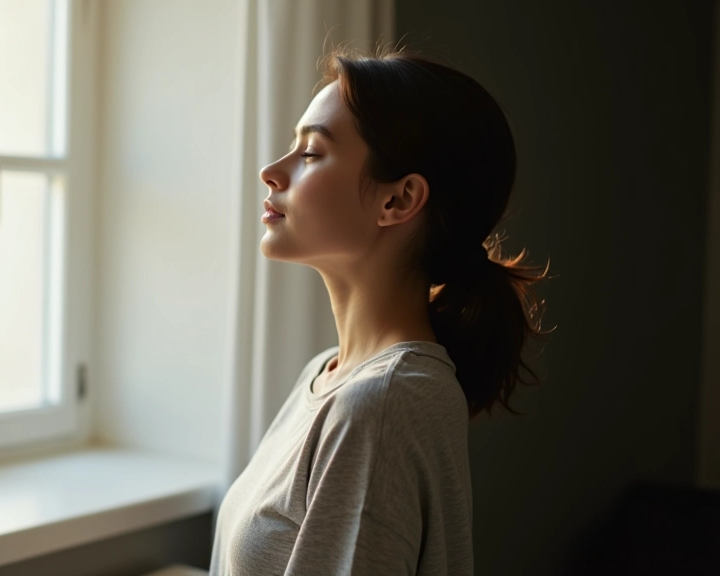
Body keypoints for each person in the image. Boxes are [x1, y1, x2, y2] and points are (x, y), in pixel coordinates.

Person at [209, 46, 548, 576]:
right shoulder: (328, 377)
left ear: (399, 200)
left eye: (312, 153)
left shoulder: (382, 403)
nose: (271, 172)